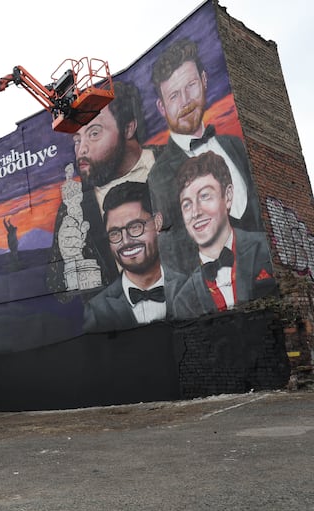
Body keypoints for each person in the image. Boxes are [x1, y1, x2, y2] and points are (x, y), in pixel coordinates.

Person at [148, 38, 262, 275]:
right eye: (174, 96)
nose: (186, 101)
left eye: (191, 85)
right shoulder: (159, 176)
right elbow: (174, 253)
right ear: (161, 107)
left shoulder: (234, 145)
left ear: (204, 80)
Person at [46, 81, 156, 293]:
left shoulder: (173, 164)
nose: (81, 150)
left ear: (128, 128)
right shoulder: (73, 205)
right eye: (77, 140)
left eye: (94, 133)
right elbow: (56, 288)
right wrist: (67, 256)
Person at [172, 152, 276, 318]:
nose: (195, 212)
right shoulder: (184, 300)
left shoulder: (265, 249)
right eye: (186, 204)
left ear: (227, 196)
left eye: (205, 196)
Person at [83, 181, 187, 332]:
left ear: (157, 222)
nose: (126, 241)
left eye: (135, 227)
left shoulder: (191, 287)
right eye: (115, 233)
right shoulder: (95, 312)